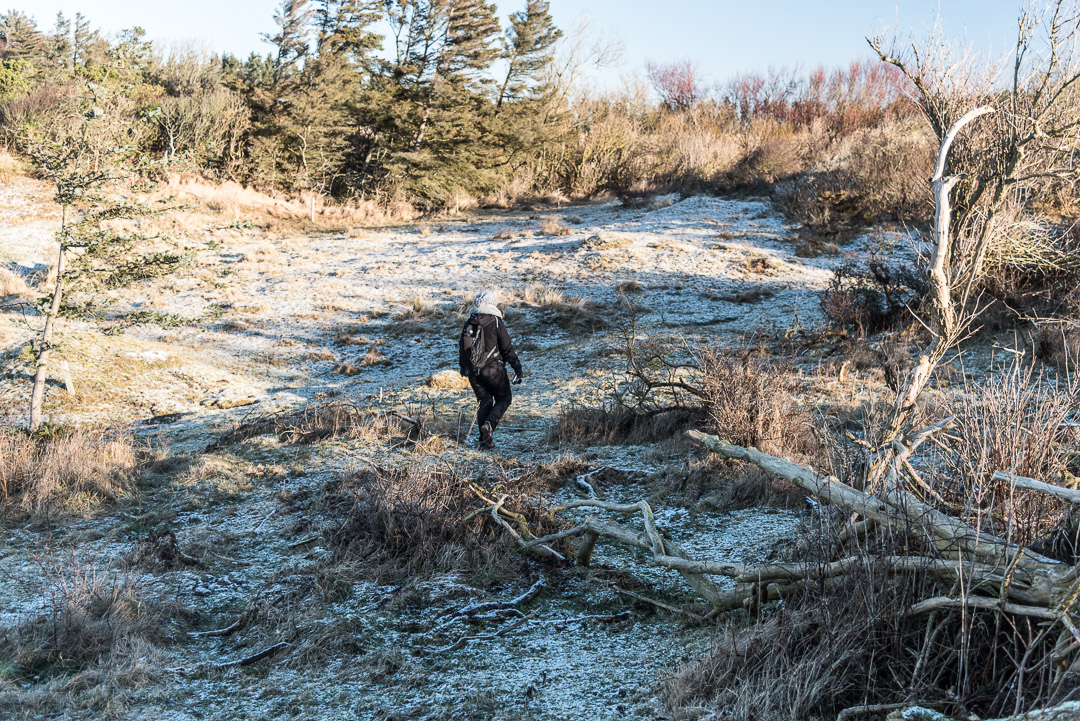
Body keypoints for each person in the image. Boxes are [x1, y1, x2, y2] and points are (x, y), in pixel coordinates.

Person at [459, 290, 523, 449]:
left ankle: (484, 441)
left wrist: (463, 368)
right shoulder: (496, 321)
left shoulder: (470, 322)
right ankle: (488, 426)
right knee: (504, 399)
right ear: (493, 304)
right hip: (494, 370)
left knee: (484, 401)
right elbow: (507, 348)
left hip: (474, 372)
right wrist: (517, 368)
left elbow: (462, 347)